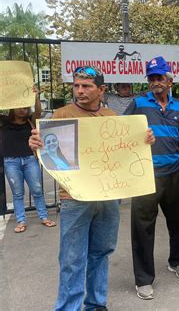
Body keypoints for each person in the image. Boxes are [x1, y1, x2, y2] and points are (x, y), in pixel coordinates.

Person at [28, 66, 155, 310]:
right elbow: (46, 157)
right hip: (74, 198)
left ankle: (96, 304)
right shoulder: (61, 115)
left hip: (108, 197)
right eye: (76, 85)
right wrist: (35, 145)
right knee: (72, 258)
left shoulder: (113, 118)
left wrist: (145, 139)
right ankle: (68, 307)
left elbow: (129, 152)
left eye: (86, 86)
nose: (79, 90)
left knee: (102, 252)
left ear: (101, 90)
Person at [124, 56, 179, 300]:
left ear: (170, 80)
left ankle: (178, 261)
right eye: (151, 78)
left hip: (174, 173)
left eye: (159, 77)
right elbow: (123, 132)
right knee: (142, 228)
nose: (155, 82)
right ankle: (143, 280)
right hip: (146, 176)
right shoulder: (138, 103)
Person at [0, 87, 56, 233]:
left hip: (30, 160)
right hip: (11, 162)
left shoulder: (30, 121)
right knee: (18, 193)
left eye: (26, 107)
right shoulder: (3, 121)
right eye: (20, 106)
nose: (23, 110)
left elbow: (38, 111)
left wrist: (36, 97)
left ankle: (44, 217)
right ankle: (21, 221)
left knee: (37, 190)